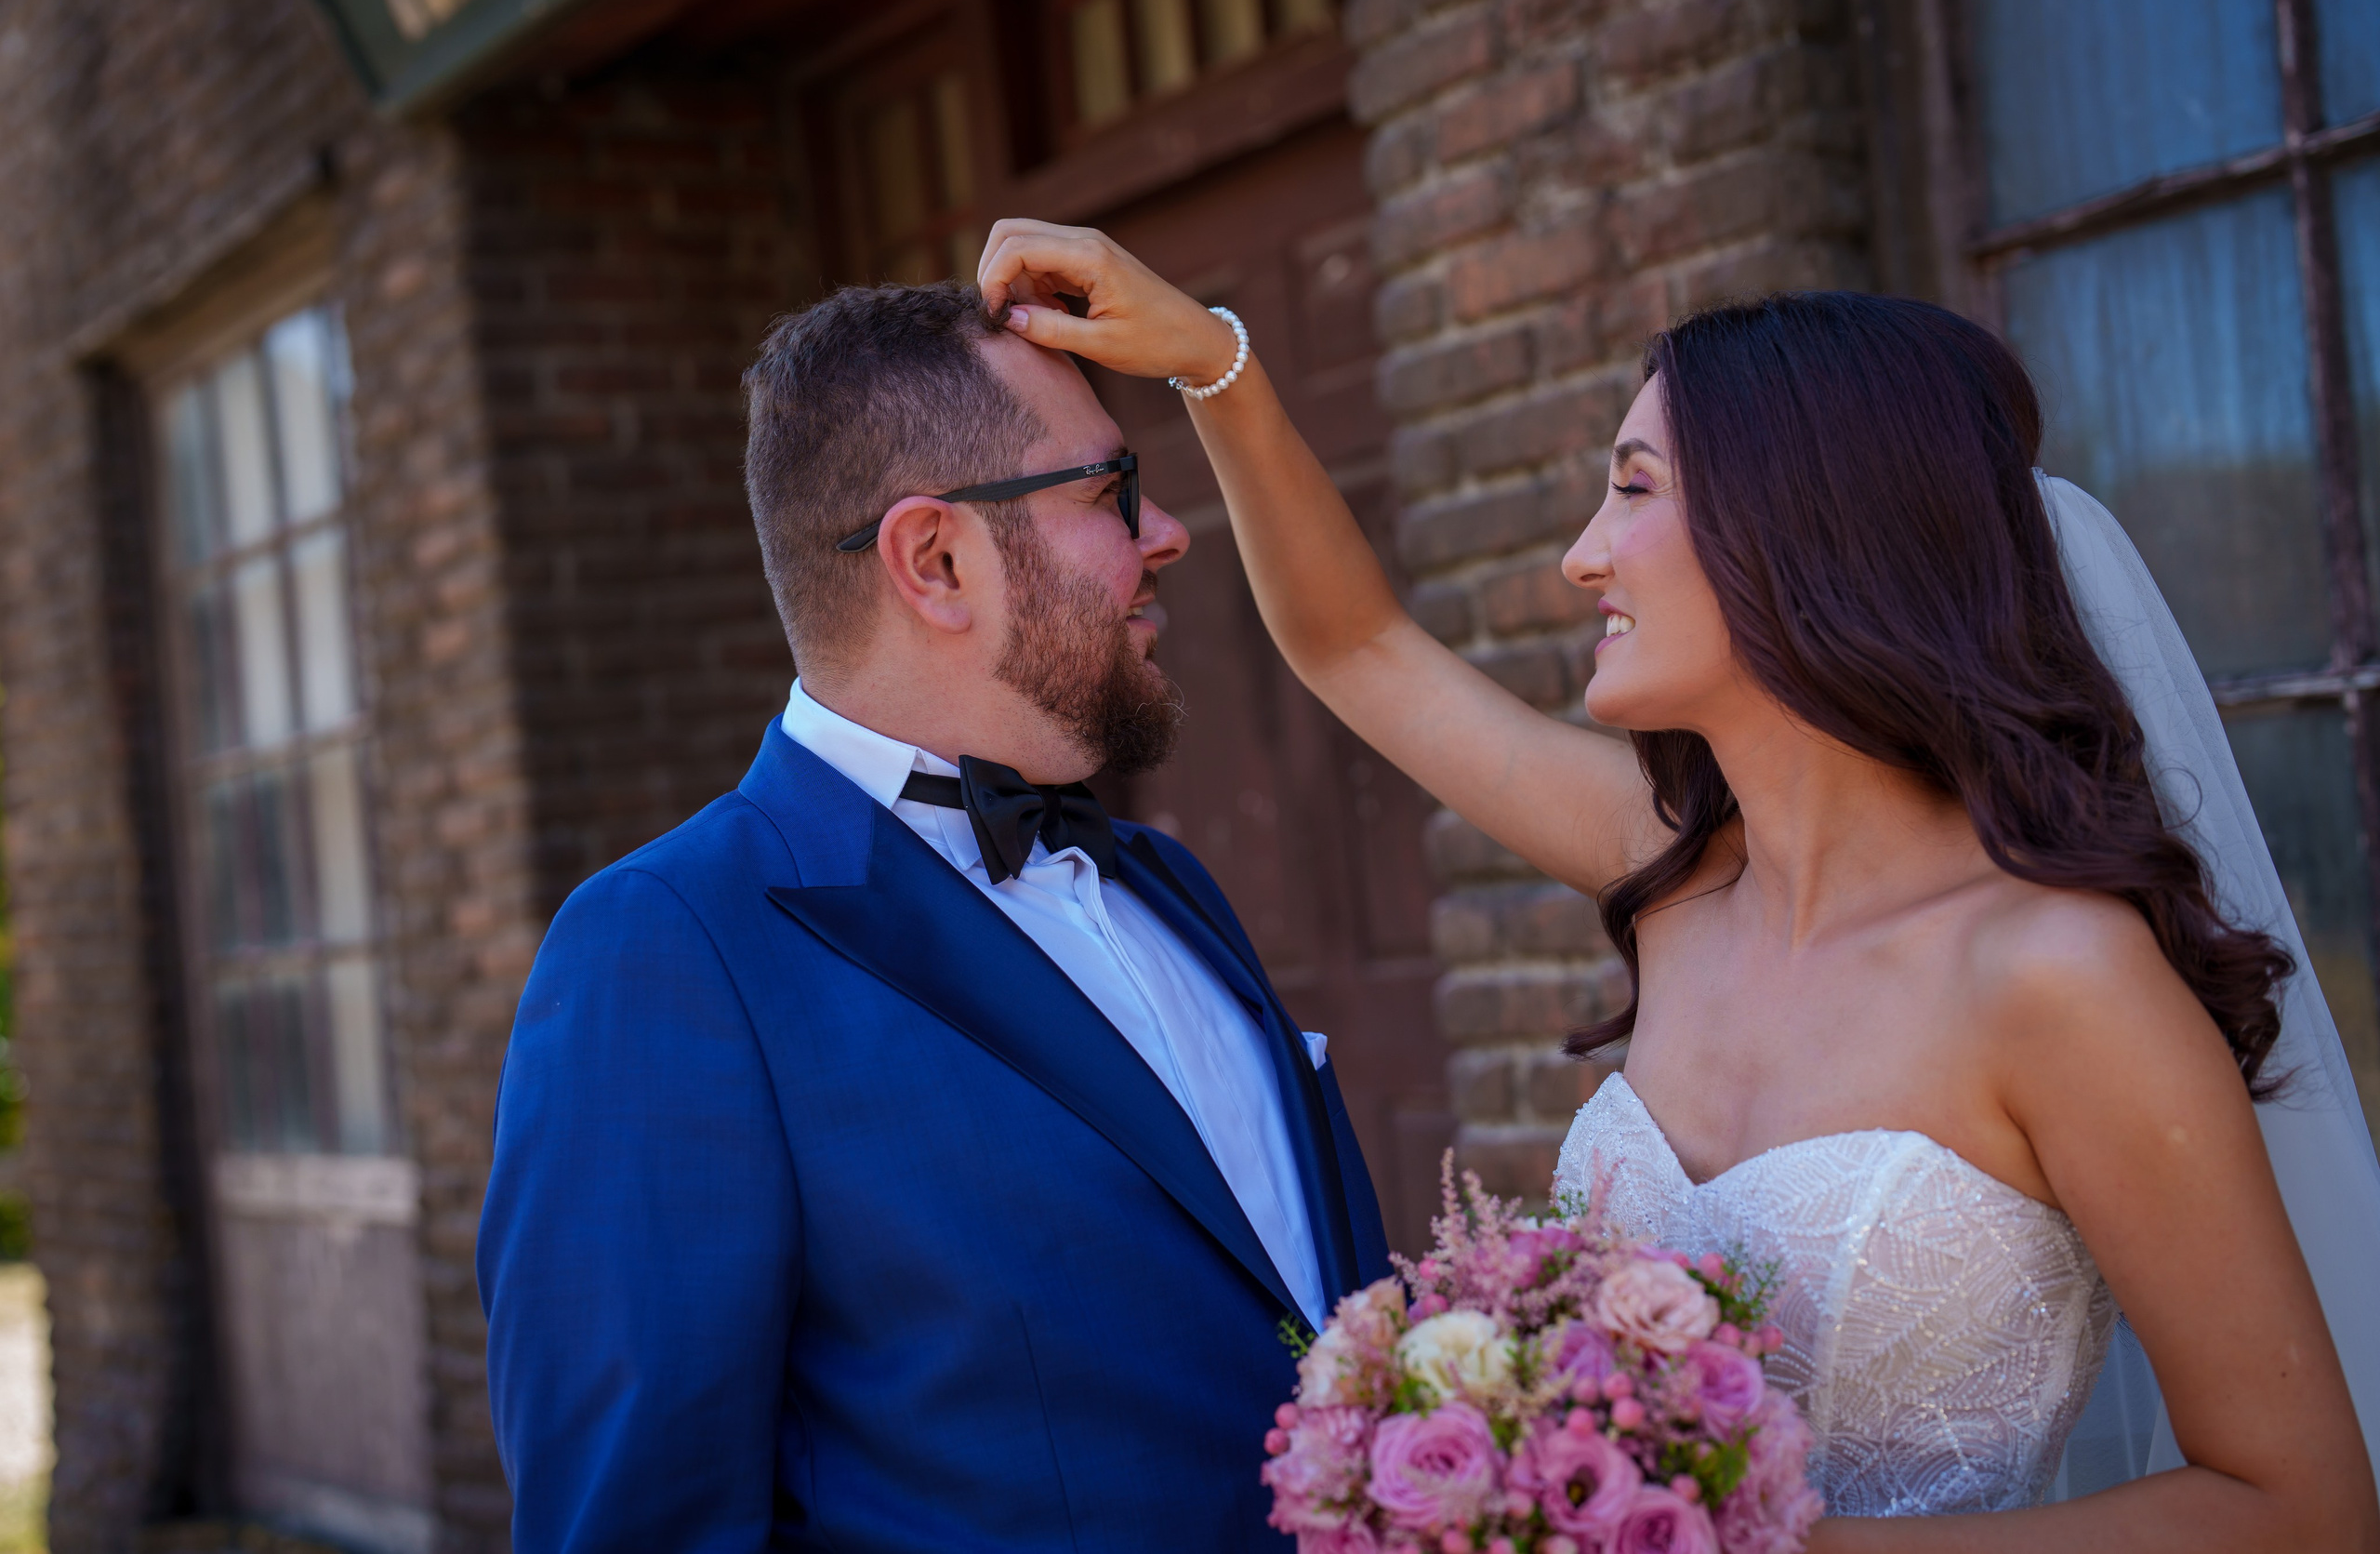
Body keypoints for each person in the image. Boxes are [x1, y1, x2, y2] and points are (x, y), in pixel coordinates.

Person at [974, 220, 2380, 1549]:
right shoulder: (1678, 879)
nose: (1580, 554)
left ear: (1805, 530)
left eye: (1633, 488)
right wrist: (1211, 360)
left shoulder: (2059, 980)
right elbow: (1357, 649)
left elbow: (2302, 1510)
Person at [475, 282, 1389, 1552]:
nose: (1170, 533)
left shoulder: (1166, 881)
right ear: (937, 561)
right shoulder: (671, 951)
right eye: (1111, 491)